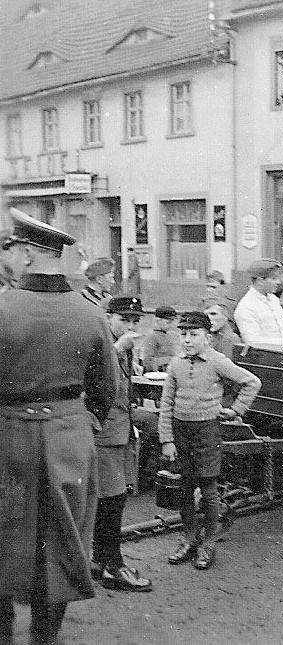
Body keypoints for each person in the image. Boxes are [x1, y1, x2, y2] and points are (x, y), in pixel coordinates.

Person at [0, 208, 119, 645]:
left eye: (13, 250)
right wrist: (81, 422)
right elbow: (107, 388)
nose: (11, 259)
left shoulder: (1, 306)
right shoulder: (91, 314)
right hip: (69, 436)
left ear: (29, 254)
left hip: (6, 436)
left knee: (3, 539)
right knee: (64, 540)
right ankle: (45, 639)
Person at [158, 311, 261, 570]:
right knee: (184, 487)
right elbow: (166, 404)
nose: (187, 340)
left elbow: (251, 382)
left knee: (208, 489)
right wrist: (167, 440)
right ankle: (189, 539)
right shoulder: (176, 363)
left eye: (194, 335)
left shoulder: (218, 361)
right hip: (181, 432)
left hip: (207, 431)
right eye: (183, 334)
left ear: (208, 338)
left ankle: (208, 543)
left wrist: (235, 410)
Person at [92, 296, 152, 592]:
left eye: (134, 321)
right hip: (103, 434)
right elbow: (94, 381)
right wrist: (117, 351)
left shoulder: (120, 346)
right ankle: (113, 567)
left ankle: (99, 561)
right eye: (123, 320)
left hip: (118, 431)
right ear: (109, 317)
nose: (130, 326)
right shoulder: (103, 343)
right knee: (111, 501)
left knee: (109, 500)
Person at [234, 258, 283, 345]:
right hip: (264, 356)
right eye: (273, 278)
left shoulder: (273, 299)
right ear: (260, 281)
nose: (278, 282)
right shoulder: (246, 307)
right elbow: (251, 341)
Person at [142, 305, 179, 372]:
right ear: (158, 321)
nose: (171, 325)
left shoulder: (170, 335)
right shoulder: (152, 336)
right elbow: (148, 361)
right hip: (157, 375)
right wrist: (170, 359)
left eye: (172, 322)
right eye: (168, 322)